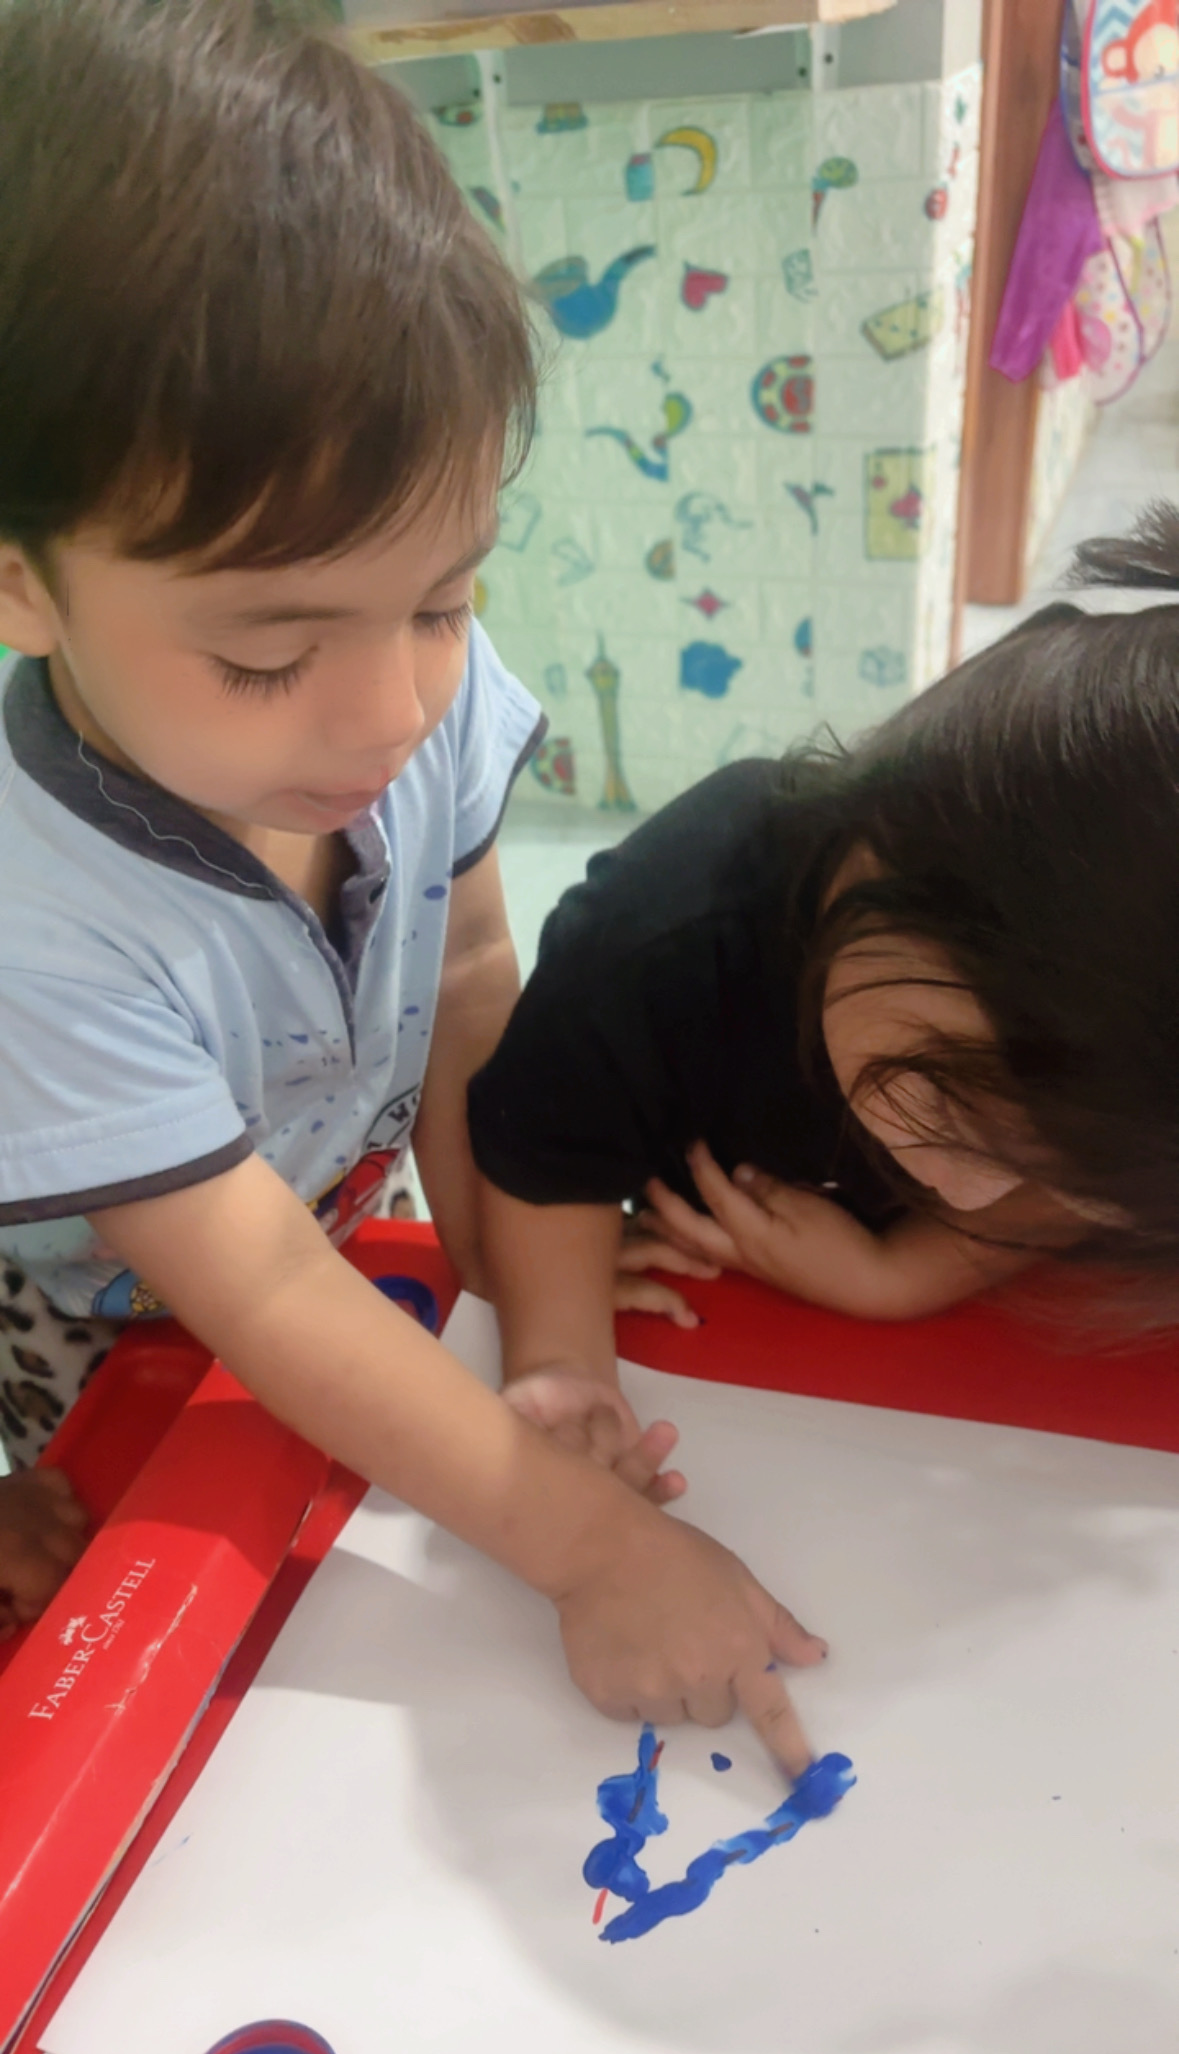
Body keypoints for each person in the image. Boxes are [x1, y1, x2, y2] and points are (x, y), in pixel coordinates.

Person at [0, 0, 825, 1769]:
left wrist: (519, 1302)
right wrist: (587, 1545)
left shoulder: (396, 698)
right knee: (91, 1570)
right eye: (266, 654)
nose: (390, 713)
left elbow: (463, 988)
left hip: (290, 1217)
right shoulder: (33, 926)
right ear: (21, 583)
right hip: (80, 1295)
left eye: (444, 601)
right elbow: (258, 1296)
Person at [470, 523, 1179, 1411]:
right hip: (707, 1300)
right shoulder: (663, 934)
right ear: (886, 870)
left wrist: (901, 1275)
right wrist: (559, 1362)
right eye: (949, 1109)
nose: (967, 1193)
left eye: (1048, 1170)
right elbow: (542, 1153)